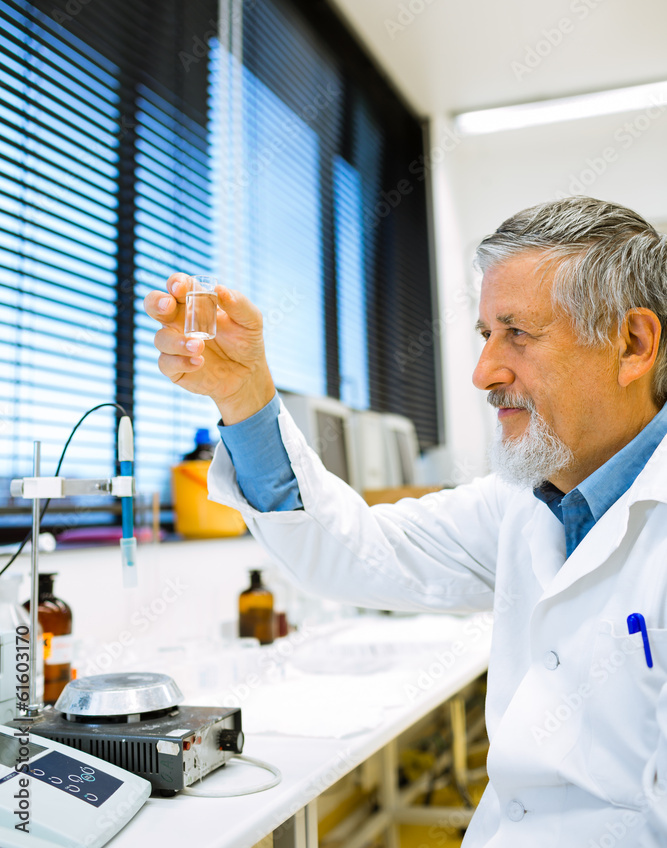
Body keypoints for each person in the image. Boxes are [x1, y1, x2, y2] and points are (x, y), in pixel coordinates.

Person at [145, 196, 667, 847]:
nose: (483, 372)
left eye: (518, 334)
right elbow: (355, 551)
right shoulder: (523, 504)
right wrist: (242, 395)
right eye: (484, 335)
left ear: (632, 344)